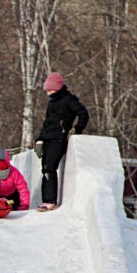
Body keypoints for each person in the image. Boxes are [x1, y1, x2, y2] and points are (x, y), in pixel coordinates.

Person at [35, 72, 89, 211]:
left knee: (50, 167)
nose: (48, 93)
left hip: (58, 138)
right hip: (47, 137)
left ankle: (51, 201)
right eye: (46, 90)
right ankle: (45, 199)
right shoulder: (51, 103)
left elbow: (83, 113)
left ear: (57, 88)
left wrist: (77, 128)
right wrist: (39, 140)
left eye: (50, 89)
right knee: (45, 169)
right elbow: (46, 123)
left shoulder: (69, 100)